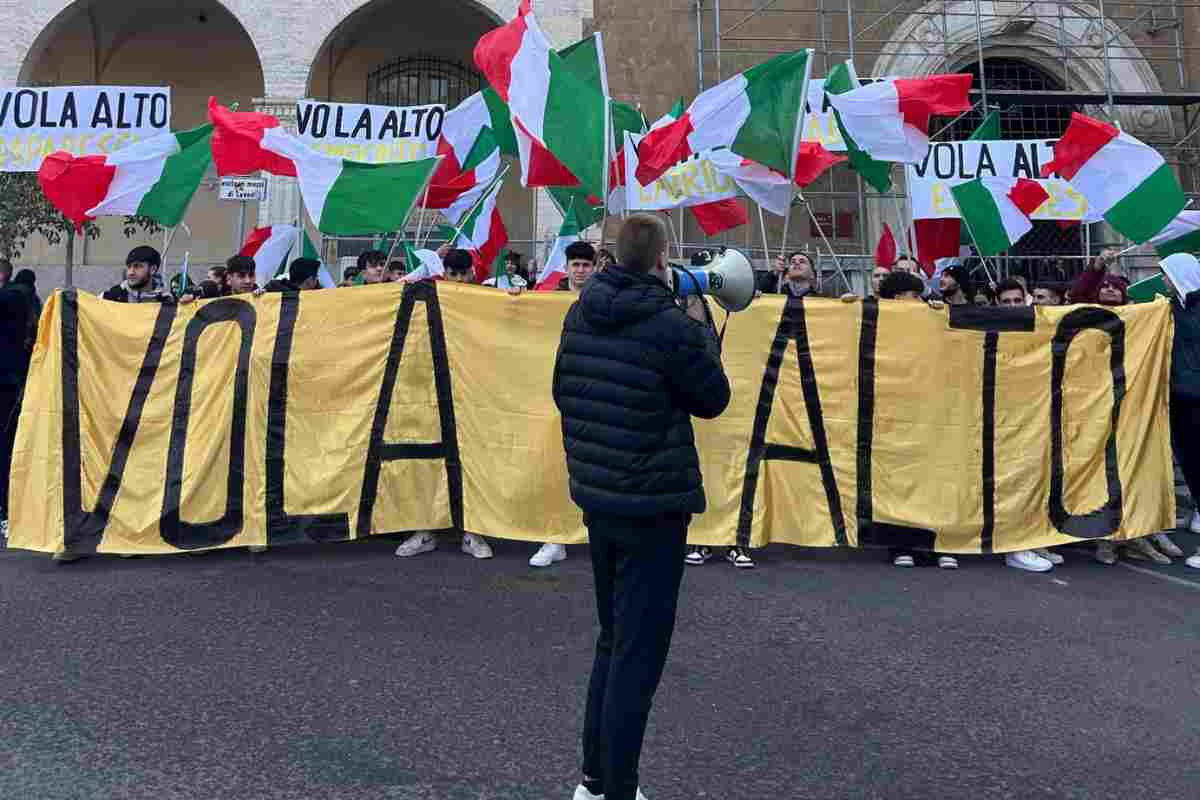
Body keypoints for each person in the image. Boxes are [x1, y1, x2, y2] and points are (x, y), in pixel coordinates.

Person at [554, 214, 730, 800]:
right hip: (653, 503)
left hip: (599, 497)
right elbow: (713, 399)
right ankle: (620, 790)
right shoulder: (670, 325)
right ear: (662, 261)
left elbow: (563, 390)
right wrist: (701, 322)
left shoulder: (581, 310)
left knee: (612, 639)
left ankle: (594, 780)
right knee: (638, 651)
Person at [394, 247, 494, 562]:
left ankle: (472, 532)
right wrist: (428, 263)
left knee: (473, 462)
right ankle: (424, 530)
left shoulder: (485, 300)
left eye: (462, 274)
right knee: (427, 462)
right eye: (451, 273)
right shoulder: (428, 294)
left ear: (471, 275)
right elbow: (396, 289)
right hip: (430, 392)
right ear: (444, 273)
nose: (457, 280)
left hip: (473, 396)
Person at [878, 270, 958, 569]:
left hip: (931, 414)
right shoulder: (876, 321)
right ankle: (900, 545)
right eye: (915, 296)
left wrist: (946, 319)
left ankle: (937, 543)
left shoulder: (934, 321)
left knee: (933, 479)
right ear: (897, 298)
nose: (920, 301)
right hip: (893, 415)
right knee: (896, 480)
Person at [530, 241, 600, 568]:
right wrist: (514, 302)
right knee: (555, 467)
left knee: (596, 468)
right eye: (576, 264)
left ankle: (597, 534)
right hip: (556, 394)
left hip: (598, 395)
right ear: (567, 266)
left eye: (587, 264)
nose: (581, 270)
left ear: (595, 267)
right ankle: (555, 536)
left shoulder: (605, 297)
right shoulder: (546, 295)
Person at [1157, 254, 1200, 569]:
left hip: (1195, 399)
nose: (1162, 280)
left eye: (1165, 274)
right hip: (1181, 401)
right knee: (1192, 466)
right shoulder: (1171, 308)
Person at [0, 273, 33, 541]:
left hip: (7, 384)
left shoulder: (15, 296)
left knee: (5, 448)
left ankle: (6, 513)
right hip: (9, 380)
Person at [102, 246, 175, 303]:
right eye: (129, 267)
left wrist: (185, 304)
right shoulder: (111, 296)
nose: (131, 272)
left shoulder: (167, 301)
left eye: (137, 266)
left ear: (153, 269)